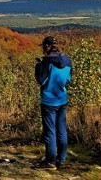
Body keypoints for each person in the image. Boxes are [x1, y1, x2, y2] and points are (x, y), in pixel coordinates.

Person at [34, 36, 72, 170]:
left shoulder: (46, 62)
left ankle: (50, 162)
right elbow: (68, 80)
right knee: (61, 130)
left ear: (46, 46)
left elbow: (41, 80)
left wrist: (38, 67)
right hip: (62, 99)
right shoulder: (67, 60)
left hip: (49, 100)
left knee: (50, 132)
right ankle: (61, 159)